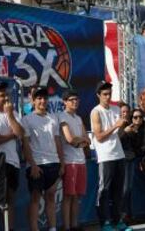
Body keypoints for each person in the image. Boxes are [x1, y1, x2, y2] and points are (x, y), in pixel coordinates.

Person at [90, 81, 132, 231]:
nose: (108, 96)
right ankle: (105, 223)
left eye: (109, 93)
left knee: (118, 191)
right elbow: (99, 136)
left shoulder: (116, 109)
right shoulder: (96, 112)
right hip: (106, 156)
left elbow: (117, 135)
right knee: (104, 191)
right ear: (98, 95)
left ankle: (117, 221)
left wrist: (125, 129)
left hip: (118, 154)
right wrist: (115, 125)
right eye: (104, 94)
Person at [21, 87, 64, 231]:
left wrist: (61, 163)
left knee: (51, 197)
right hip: (37, 164)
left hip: (54, 163)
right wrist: (32, 164)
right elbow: (25, 145)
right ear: (33, 101)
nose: (42, 101)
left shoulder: (53, 118)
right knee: (35, 198)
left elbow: (58, 141)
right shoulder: (26, 119)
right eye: (39, 98)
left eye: (44, 98)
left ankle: (52, 228)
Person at [0, 82, 24, 231]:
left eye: (7, 94)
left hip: (13, 163)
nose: (6, 98)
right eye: (2, 95)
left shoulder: (12, 113)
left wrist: (10, 115)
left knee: (10, 200)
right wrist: (10, 135)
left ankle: (10, 229)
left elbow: (20, 134)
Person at [59, 90, 90, 231]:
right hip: (69, 161)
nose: (75, 102)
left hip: (81, 161)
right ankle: (66, 227)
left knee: (77, 196)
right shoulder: (62, 116)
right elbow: (70, 139)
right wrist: (80, 140)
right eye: (71, 99)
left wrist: (81, 141)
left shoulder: (78, 118)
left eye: (76, 99)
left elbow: (87, 139)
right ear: (64, 102)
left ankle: (74, 225)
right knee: (68, 196)